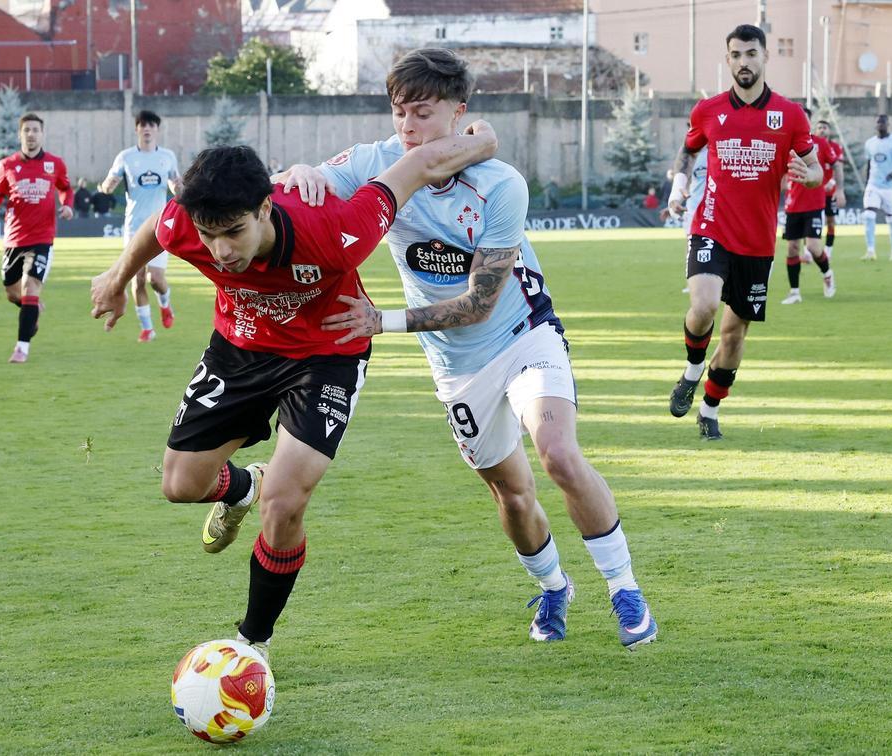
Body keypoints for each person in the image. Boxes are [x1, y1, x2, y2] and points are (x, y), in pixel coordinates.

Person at [281, 47, 658, 649]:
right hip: (456, 368)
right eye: (400, 113)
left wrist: (384, 321)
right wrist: (302, 174)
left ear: (460, 114)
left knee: (558, 454)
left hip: (523, 336)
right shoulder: (378, 162)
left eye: (423, 114)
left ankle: (625, 589)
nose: (408, 129)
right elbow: (311, 187)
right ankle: (555, 587)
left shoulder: (500, 184)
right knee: (510, 491)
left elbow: (480, 303)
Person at [89, 134, 497, 661]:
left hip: (327, 355)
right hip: (239, 350)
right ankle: (241, 487)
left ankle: (251, 642)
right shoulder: (190, 222)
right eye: (210, 236)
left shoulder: (333, 230)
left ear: (265, 208)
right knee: (179, 485)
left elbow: (417, 164)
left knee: (284, 502)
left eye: (235, 232)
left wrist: (483, 139)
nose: (222, 251)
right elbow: (157, 229)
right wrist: (118, 276)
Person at [666, 24, 821, 441]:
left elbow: (817, 168)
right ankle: (692, 370)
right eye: (735, 55)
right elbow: (688, 149)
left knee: (733, 338)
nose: (743, 62)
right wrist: (679, 188)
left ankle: (710, 410)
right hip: (711, 227)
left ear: (765, 56)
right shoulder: (709, 110)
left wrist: (808, 176)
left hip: (756, 243)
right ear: (728, 60)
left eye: (751, 53)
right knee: (703, 307)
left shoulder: (790, 115)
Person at [0, 112, 74, 364]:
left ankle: (22, 348)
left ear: (42, 134)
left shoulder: (55, 164)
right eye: (27, 130)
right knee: (13, 292)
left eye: (35, 130)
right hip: (13, 239)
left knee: (29, 287)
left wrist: (67, 205)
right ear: (20, 134)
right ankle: (31, 309)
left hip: (43, 238)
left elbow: (65, 188)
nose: (31, 134)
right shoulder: (7, 165)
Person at [100, 110, 182, 343]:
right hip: (134, 226)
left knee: (155, 278)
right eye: (142, 125)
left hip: (160, 224)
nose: (147, 129)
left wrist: (178, 189)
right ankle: (147, 328)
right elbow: (109, 184)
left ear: (157, 129)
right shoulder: (125, 157)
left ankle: (165, 304)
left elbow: (176, 185)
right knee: (137, 279)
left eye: (151, 125)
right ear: (136, 129)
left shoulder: (167, 156)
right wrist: (107, 186)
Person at [780, 108, 837, 305]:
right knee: (792, 249)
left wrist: (840, 188)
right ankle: (795, 292)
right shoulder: (784, 143)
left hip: (814, 202)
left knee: (813, 247)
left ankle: (827, 273)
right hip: (792, 204)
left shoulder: (819, 143)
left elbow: (835, 163)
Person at [661, 146, 708, 294]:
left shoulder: (716, 149)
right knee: (691, 246)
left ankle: (715, 280)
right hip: (693, 208)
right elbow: (685, 184)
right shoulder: (691, 155)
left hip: (714, 209)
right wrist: (674, 202)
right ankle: (692, 283)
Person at [862, 114, 892, 261]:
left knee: (891, 218)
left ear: (888, 125)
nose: (880, 125)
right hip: (873, 185)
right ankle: (870, 250)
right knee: (868, 215)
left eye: (883, 123)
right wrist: (867, 181)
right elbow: (869, 164)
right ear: (875, 125)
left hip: (889, 187)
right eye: (878, 123)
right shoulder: (870, 143)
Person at [813, 120, 846, 258]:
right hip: (814, 191)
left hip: (829, 191)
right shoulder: (811, 146)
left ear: (829, 131)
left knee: (830, 220)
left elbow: (838, 167)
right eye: (819, 127)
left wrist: (832, 183)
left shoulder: (836, 147)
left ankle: (828, 249)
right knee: (811, 219)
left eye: (825, 127)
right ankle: (810, 251)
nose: (822, 130)